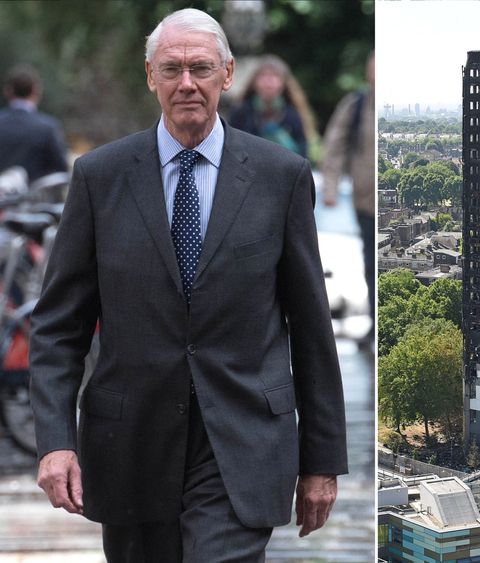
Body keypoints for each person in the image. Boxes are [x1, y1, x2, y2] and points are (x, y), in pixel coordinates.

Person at [29, 8, 347, 562]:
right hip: (131, 444)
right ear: (150, 76)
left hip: (243, 440)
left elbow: (311, 327)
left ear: (227, 75)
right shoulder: (99, 178)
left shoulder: (281, 177)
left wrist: (320, 459)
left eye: (200, 68)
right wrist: (55, 442)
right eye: (171, 69)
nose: (186, 84)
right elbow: (59, 327)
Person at [322, 53, 375, 347]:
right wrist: (330, 189)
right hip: (364, 199)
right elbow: (334, 146)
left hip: (379, 200)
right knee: (368, 262)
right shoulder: (356, 105)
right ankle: (374, 324)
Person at [229, 55, 314, 158]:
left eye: (275, 76)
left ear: (283, 83)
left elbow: (302, 153)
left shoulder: (293, 115)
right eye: (263, 76)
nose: (268, 82)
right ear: (254, 82)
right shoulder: (241, 112)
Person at [0, 65, 68, 181]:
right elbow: (61, 167)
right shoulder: (47, 127)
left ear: (8, 91)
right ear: (36, 91)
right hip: (35, 197)